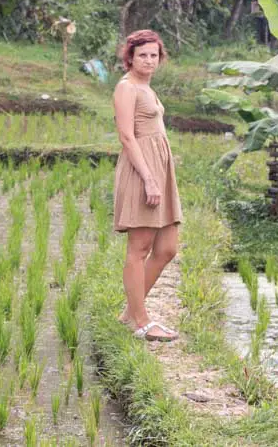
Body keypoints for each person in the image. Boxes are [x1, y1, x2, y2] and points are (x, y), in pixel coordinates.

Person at [113, 30, 182, 342]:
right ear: (131, 56)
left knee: (167, 248)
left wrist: (163, 170)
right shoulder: (126, 88)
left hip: (161, 169)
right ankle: (140, 320)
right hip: (142, 171)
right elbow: (127, 137)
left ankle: (130, 312)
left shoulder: (146, 87)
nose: (149, 60)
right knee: (139, 249)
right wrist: (149, 178)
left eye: (154, 55)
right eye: (143, 55)